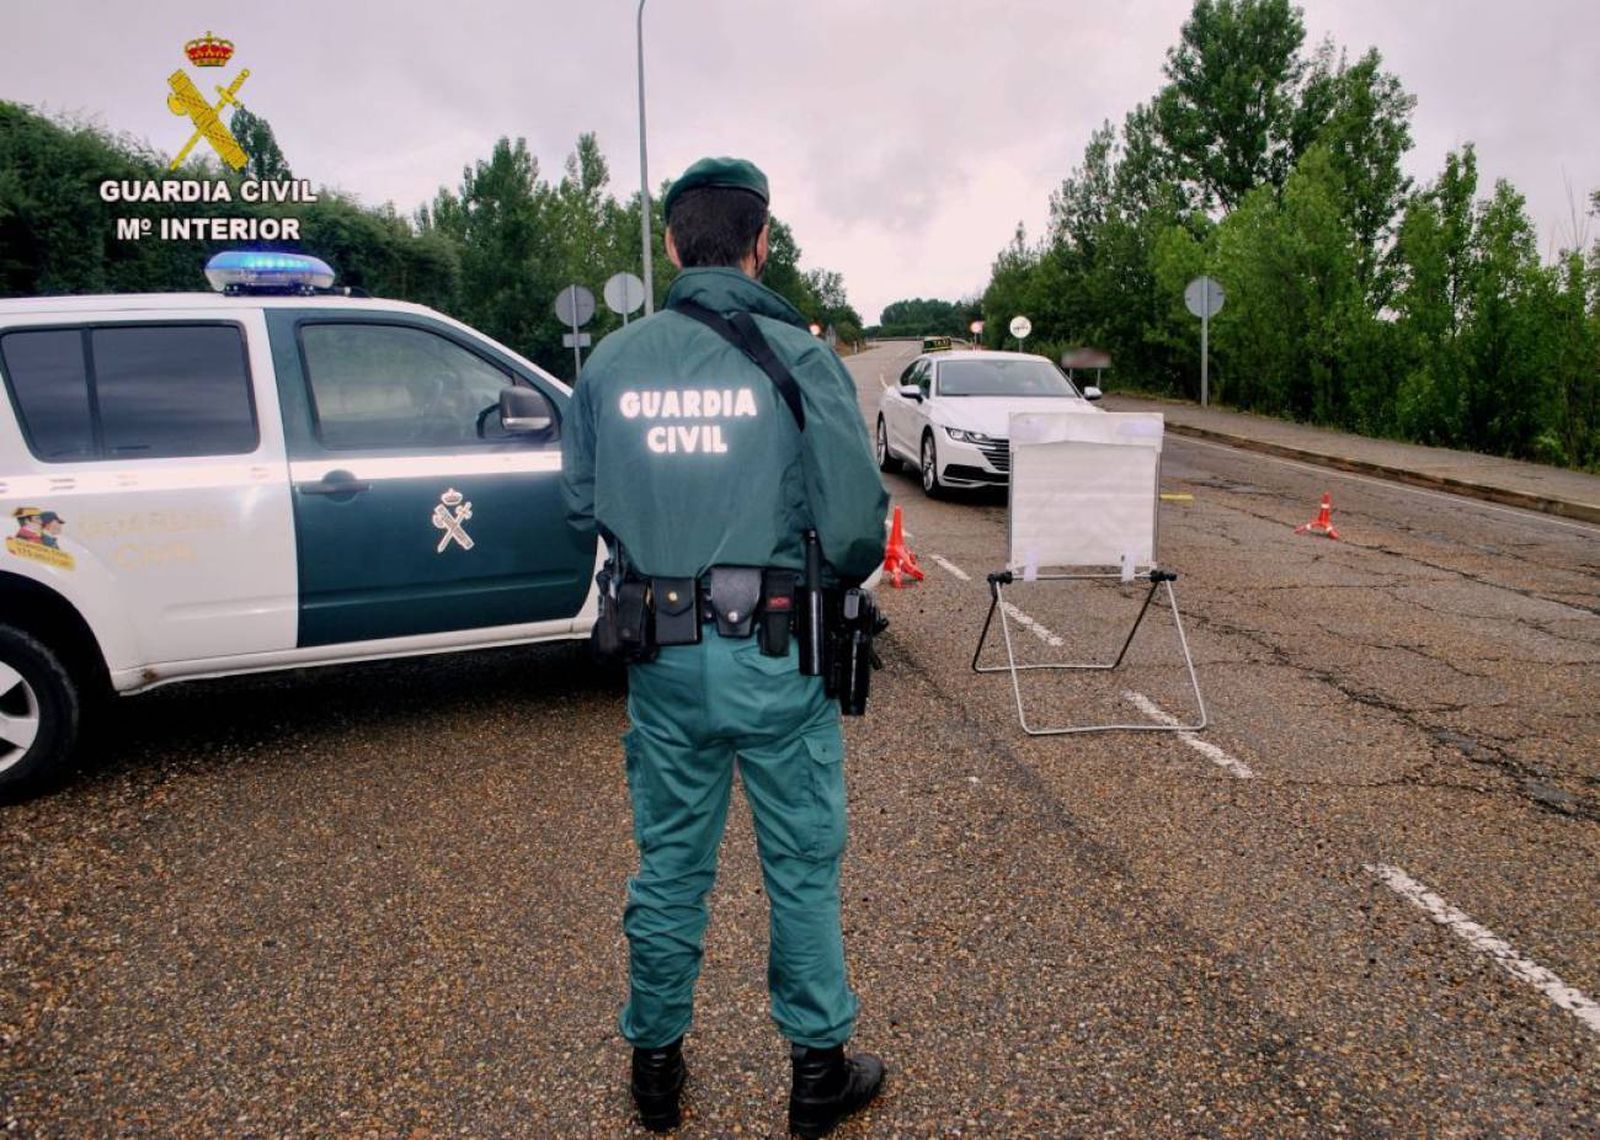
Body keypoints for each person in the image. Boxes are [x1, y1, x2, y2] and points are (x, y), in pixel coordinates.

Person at [560, 156, 889, 1137]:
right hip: (779, 659)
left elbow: (581, 505)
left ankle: (655, 1069)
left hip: (661, 658)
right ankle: (817, 1076)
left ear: (671, 244)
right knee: (798, 864)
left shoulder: (611, 363)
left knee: (668, 865)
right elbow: (861, 529)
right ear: (761, 242)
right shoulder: (801, 355)